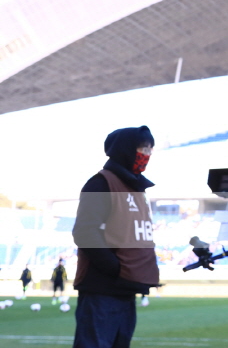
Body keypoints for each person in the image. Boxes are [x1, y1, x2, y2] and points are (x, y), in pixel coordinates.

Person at [72, 125, 160, 348]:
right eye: (142, 148)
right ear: (125, 149)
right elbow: (85, 232)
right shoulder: (100, 183)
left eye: (150, 149)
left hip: (126, 289)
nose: (146, 154)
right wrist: (116, 268)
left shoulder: (136, 187)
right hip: (102, 290)